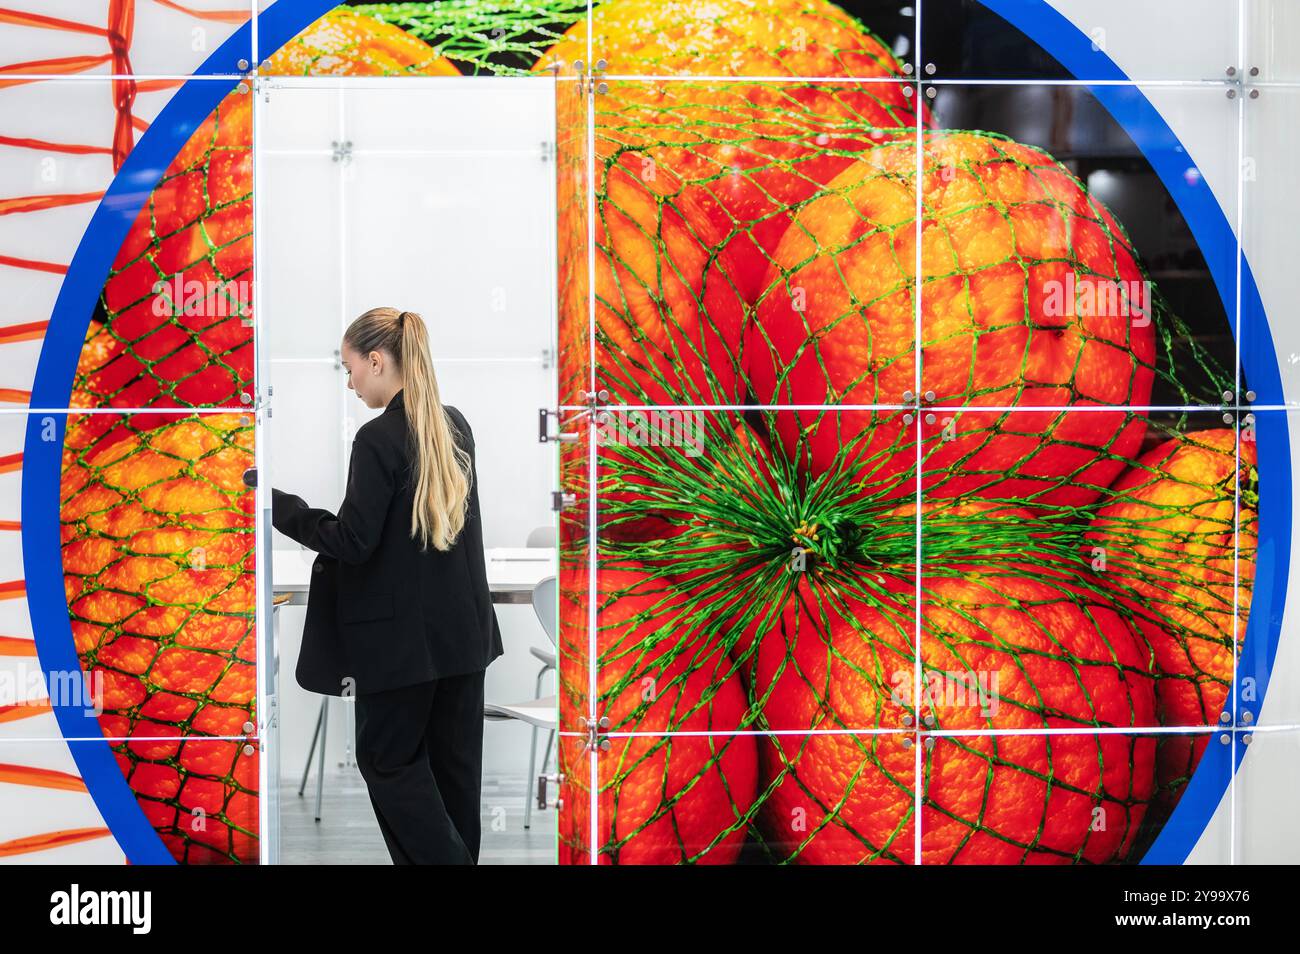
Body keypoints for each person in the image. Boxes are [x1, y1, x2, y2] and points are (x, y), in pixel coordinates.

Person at [271, 306, 504, 865]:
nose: (349, 382)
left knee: (387, 762)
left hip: (400, 648)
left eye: (349, 368)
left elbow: (353, 541)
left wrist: (279, 509)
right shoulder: (456, 426)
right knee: (454, 779)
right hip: (463, 640)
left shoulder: (377, 440)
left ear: (377, 361)